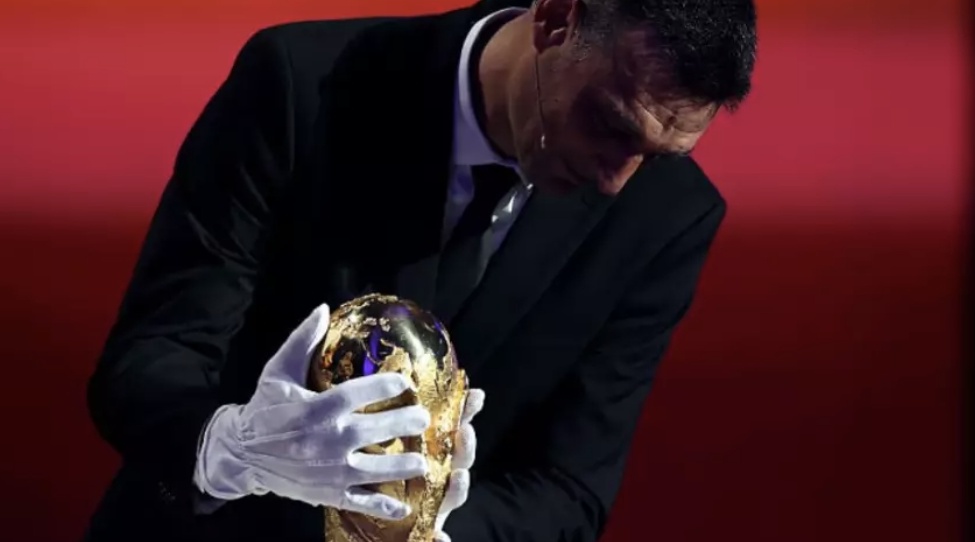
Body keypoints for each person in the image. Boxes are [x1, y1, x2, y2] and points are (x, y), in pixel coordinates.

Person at [83, 0, 757, 540]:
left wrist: (426, 531)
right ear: (556, 18)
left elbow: (570, 488)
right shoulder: (299, 84)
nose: (616, 182)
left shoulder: (669, 215)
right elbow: (150, 359)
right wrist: (230, 450)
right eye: (609, 125)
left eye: (658, 155)